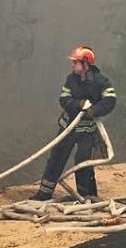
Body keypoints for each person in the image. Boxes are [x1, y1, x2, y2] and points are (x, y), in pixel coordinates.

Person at [31, 46, 117, 202]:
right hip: (68, 127)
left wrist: (94, 110)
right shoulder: (71, 80)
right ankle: (44, 193)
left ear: (85, 64)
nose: (72, 65)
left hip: (88, 130)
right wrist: (79, 104)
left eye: (75, 62)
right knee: (57, 157)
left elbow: (110, 101)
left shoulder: (101, 82)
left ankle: (86, 196)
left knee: (84, 161)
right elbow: (64, 99)